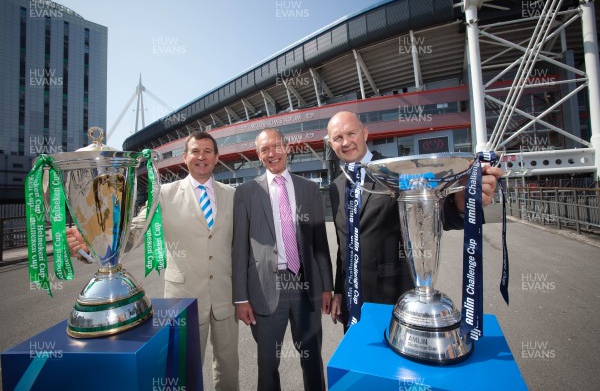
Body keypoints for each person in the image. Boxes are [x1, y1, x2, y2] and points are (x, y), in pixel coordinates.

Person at [67, 131, 239, 391]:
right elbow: (133, 231)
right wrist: (91, 244)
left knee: (228, 369)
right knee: (186, 370)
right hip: (184, 300)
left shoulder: (233, 195)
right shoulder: (164, 195)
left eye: (207, 151)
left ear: (217, 157)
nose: (201, 157)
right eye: (195, 151)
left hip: (226, 299)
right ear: (185, 157)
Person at [326, 110, 504, 327]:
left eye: (351, 133)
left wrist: (461, 202)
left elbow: (434, 214)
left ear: (365, 133)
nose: (345, 142)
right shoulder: (335, 186)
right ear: (331, 144)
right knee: (355, 359)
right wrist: (339, 290)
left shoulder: (397, 171)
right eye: (338, 138)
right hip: (351, 301)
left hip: (393, 297)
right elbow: (343, 246)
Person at [232, 128, 333, 391]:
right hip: (265, 290)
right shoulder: (245, 193)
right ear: (258, 155)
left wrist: (326, 287)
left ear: (287, 148)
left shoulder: (309, 189)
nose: (272, 153)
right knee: (267, 365)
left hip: (306, 286)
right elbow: (239, 248)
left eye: (276, 147)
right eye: (265, 149)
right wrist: (241, 298)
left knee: (312, 360)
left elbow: (320, 244)